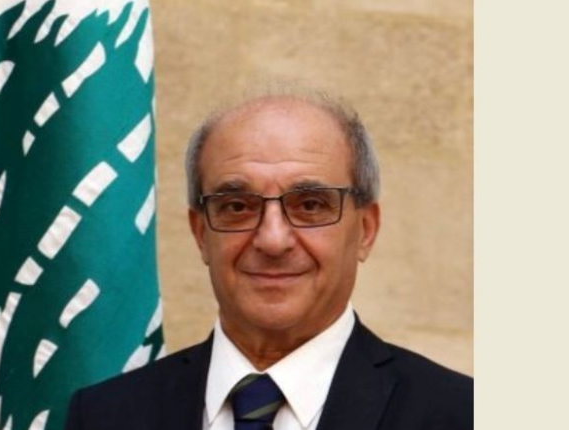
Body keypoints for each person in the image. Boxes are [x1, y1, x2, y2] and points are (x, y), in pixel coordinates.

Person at [64, 89, 473, 430]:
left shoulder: (463, 416)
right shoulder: (103, 417)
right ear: (201, 233)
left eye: (310, 205)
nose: (273, 240)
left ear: (365, 230)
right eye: (237, 206)